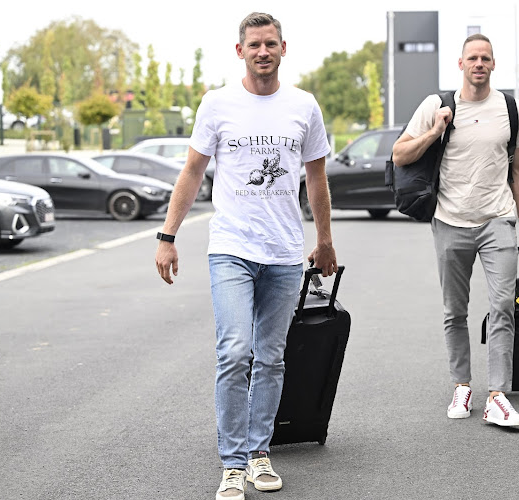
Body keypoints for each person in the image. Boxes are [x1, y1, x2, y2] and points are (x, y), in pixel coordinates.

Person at [154, 12, 337, 500]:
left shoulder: (303, 106)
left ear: (283, 48)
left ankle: (259, 454)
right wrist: (167, 235)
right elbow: (193, 171)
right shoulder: (217, 104)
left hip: (282, 252)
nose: (262, 51)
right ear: (240, 51)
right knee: (235, 352)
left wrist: (324, 241)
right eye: (254, 44)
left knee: (272, 356)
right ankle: (232, 463)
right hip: (231, 249)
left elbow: (316, 178)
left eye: (270, 44)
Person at [392, 34, 519, 427]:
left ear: (493, 64)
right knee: (454, 310)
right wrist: (435, 130)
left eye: (485, 58)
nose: (479, 63)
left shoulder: (513, 108)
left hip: (498, 219)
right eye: (472, 58)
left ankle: (497, 396)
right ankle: (462, 385)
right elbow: (399, 154)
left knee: (503, 305)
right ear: (460, 64)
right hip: (450, 220)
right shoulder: (437, 106)